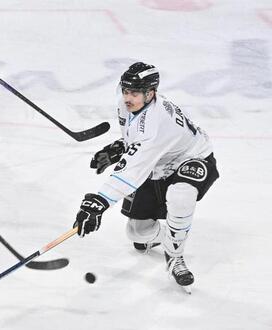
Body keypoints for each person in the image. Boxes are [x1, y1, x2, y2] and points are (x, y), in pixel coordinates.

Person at [72, 62, 219, 293]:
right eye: (125, 91)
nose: (127, 97)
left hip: (192, 158)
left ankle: (175, 256)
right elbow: (136, 143)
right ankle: (172, 235)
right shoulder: (127, 105)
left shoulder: (155, 121)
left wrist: (99, 202)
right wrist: (121, 146)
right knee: (137, 234)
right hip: (158, 164)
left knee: (180, 196)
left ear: (150, 93)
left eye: (134, 93)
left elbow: (132, 169)